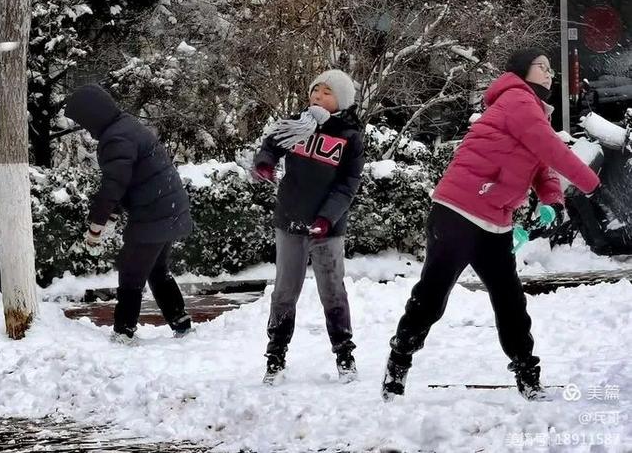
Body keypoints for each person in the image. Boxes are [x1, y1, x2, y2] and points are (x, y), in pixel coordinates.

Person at [381, 48, 600, 401]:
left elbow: (542, 166)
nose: (548, 72)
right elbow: (552, 150)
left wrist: (552, 200)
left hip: (494, 220)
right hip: (459, 209)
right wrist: (591, 183)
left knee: (510, 300)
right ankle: (398, 360)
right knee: (433, 294)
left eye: (549, 68)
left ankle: (528, 373)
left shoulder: (534, 112)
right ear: (521, 72)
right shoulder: (517, 99)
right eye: (541, 67)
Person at [252, 70, 365, 384]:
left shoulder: (350, 137)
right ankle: (275, 355)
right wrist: (264, 162)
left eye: (327, 92)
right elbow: (271, 144)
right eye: (315, 91)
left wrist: (327, 217)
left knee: (333, 291)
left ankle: (344, 353)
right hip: (290, 219)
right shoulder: (296, 122)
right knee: (285, 291)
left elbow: (348, 184)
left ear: (340, 100)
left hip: (327, 226)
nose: (318, 97)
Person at [64, 84, 193, 343]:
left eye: (84, 122)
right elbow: (131, 178)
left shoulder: (116, 138)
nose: (85, 130)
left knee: (131, 271)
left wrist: (96, 225)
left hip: (154, 212)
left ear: (93, 116)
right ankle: (180, 321)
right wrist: (111, 213)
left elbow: (114, 185)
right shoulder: (126, 126)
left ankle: (124, 331)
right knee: (157, 269)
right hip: (168, 206)